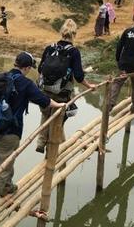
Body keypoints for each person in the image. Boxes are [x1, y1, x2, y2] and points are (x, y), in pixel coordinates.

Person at [0, 52, 65, 217]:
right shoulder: (25, 83)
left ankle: (6, 187)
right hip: (10, 131)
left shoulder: (0, 77)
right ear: (26, 68)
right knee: (2, 168)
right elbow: (44, 100)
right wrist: (60, 105)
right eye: (29, 68)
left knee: (2, 158)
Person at [36, 19, 95, 154]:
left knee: (46, 113)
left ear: (62, 32)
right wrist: (89, 85)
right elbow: (79, 76)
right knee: (57, 120)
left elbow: (40, 69)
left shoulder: (50, 47)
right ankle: (54, 150)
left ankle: (40, 142)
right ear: (74, 34)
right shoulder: (73, 52)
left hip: (45, 90)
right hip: (61, 93)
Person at [107, 16, 134, 114]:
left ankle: (110, 104)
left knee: (117, 82)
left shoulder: (128, 32)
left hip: (124, 64)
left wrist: (118, 60)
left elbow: (119, 46)